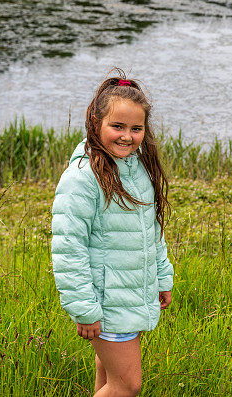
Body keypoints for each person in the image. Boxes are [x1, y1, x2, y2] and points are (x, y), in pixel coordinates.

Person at [51, 70, 174, 397]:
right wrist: (85, 309)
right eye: (117, 126)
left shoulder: (136, 168)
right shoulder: (82, 178)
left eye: (136, 128)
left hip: (129, 294)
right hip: (106, 303)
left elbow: (152, 231)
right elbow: (68, 250)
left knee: (108, 379)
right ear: (95, 123)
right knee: (127, 385)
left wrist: (162, 277)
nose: (127, 136)